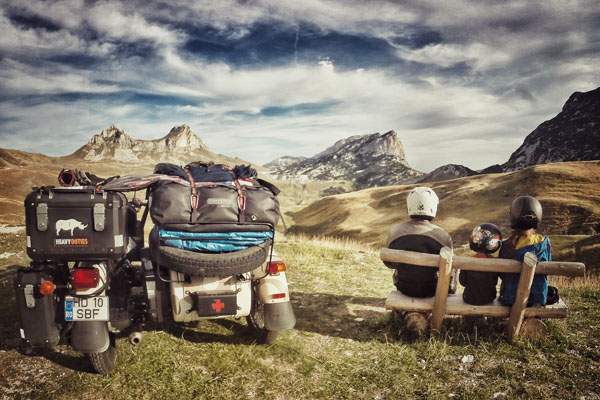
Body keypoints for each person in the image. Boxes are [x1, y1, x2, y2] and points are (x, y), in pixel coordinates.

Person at [384, 187, 453, 298]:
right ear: (433, 207)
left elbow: (388, 263)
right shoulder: (443, 236)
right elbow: (448, 267)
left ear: (409, 206)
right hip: (430, 289)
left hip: (403, 287)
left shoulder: (395, 231)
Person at [498, 196, 551, 306]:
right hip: (536, 299)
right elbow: (548, 266)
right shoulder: (544, 242)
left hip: (510, 299)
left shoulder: (507, 245)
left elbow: (502, 274)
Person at [459, 223, 502, 305]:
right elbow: (494, 282)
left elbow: (462, 282)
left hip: (469, 298)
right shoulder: (493, 263)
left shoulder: (468, 261)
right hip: (489, 298)